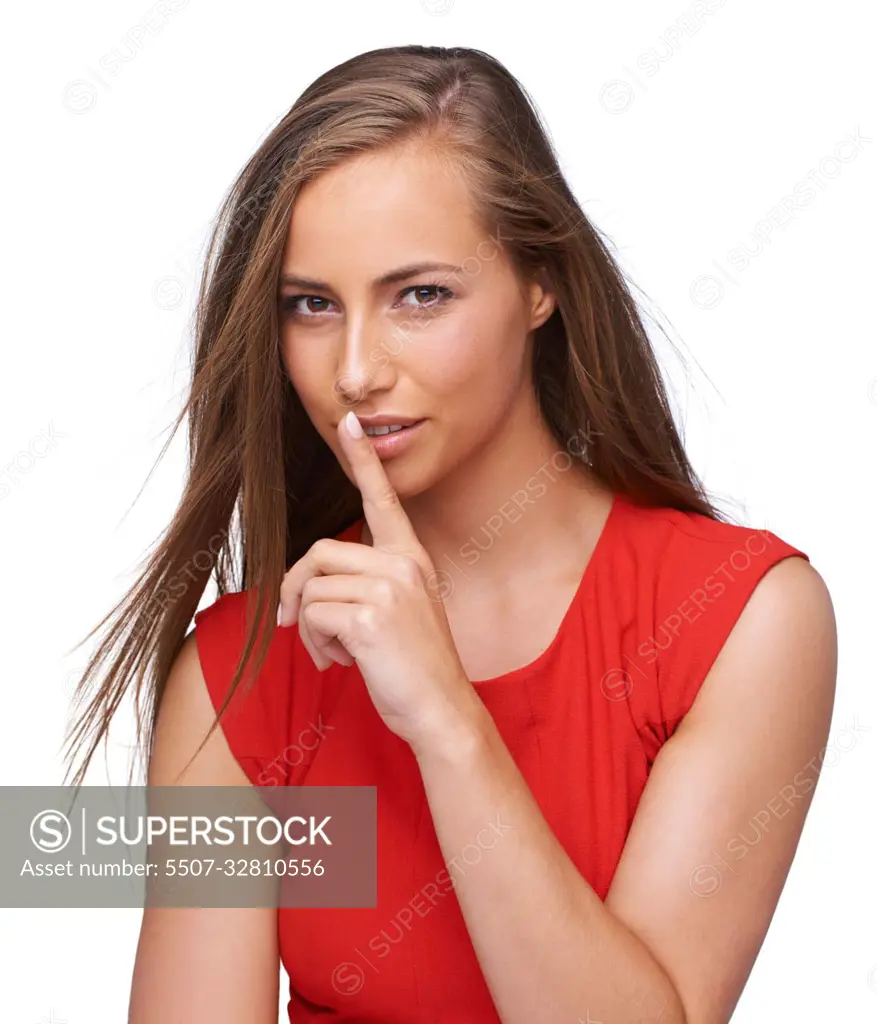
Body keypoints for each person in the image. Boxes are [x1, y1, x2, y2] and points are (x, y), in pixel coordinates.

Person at [66, 45, 837, 1024]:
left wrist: (444, 718)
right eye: (311, 305)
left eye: (419, 295)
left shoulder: (738, 622)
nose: (353, 370)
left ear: (539, 284)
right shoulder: (237, 674)